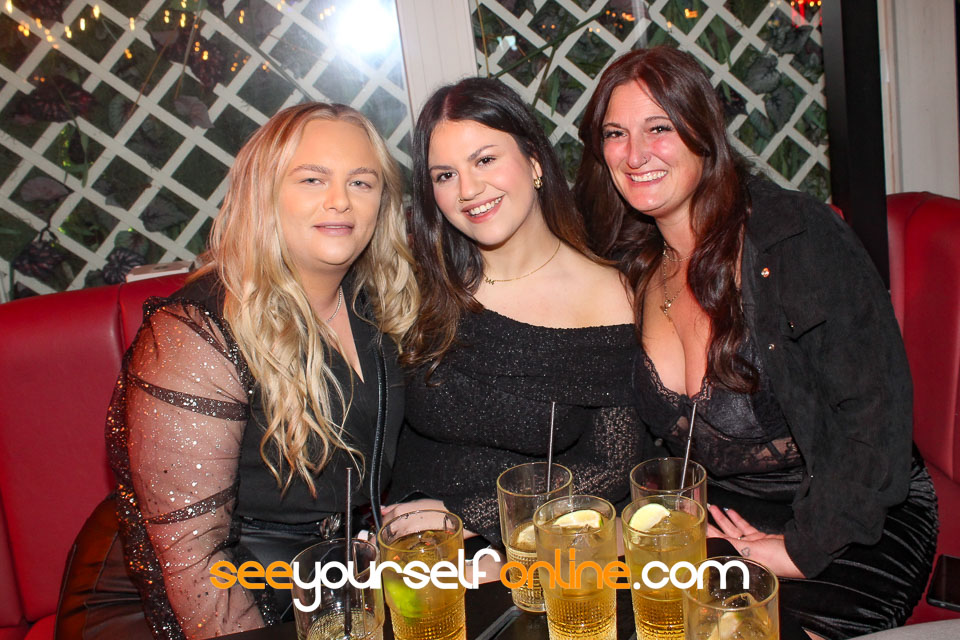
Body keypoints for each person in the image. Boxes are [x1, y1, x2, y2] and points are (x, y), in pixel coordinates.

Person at [574, 46, 938, 639]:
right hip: (720, 517)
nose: (635, 155)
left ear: (704, 132)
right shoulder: (631, 265)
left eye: (659, 128)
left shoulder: (794, 236)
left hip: (849, 516)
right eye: (616, 134)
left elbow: (876, 411)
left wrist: (800, 548)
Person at [55, 103, 418, 639]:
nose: (340, 200)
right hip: (194, 597)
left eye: (361, 182)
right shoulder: (194, 335)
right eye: (312, 178)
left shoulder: (375, 300)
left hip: (321, 578)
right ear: (263, 193)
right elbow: (191, 556)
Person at [385, 77, 649, 546]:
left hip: (533, 540)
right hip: (408, 539)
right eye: (445, 175)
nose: (468, 189)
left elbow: (612, 467)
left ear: (534, 161)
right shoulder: (420, 284)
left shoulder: (608, 297)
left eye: (485, 160)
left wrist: (463, 515)